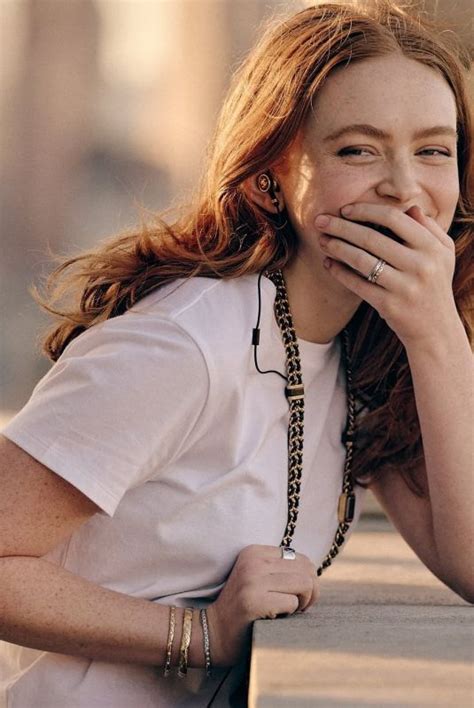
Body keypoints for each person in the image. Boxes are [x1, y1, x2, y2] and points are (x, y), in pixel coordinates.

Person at [0, 1, 472, 706]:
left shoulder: (370, 347)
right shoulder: (182, 344)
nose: (405, 188)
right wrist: (197, 634)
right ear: (269, 177)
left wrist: (437, 333)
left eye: (434, 150)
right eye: (357, 150)